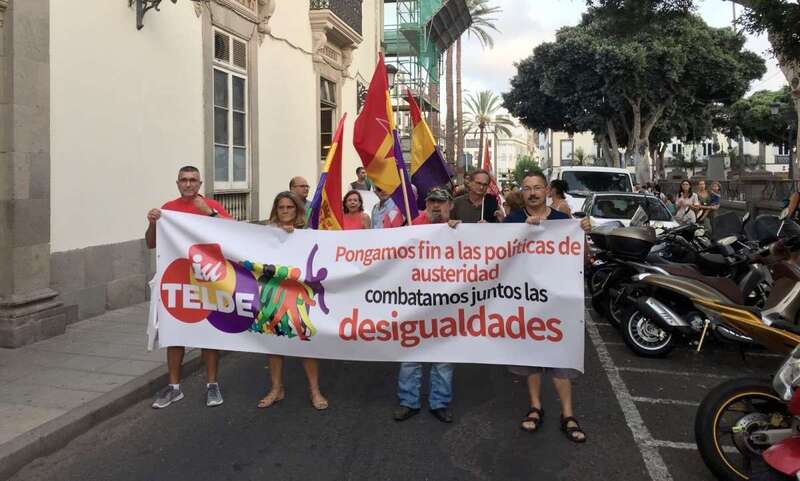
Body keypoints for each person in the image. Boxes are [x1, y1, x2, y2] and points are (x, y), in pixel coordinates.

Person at [503, 171, 587, 443]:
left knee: (560, 358)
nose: (533, 193)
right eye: (527, 188)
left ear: (547, 190)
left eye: (537, 187)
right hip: (525, 301)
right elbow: (492, 253)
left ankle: (568, 414)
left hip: (558, 302)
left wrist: (582, 234)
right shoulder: (512, 221)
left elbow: (583, 259)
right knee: (532, 356)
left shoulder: (563, 221)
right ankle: (535, 406)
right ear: (522, 192)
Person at [146, 166, 232, 409]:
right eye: (183, 180)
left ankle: (212, 384)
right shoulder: (168, 209)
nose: (188, 184)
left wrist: (210, 213)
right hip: (178, 279)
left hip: (207, 279)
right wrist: (152, 223)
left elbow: (234, 234)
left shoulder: (211, 205)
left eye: (193, 180)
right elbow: (151, 243)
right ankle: (174, 387)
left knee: (209, 333)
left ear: (200, 183)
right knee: (174, 332)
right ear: (177, 183)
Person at [257, 191, 328, 411]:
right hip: (272, 294)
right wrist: (278, 235)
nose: (285, 211)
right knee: (274, 343)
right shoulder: (266, 233)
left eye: (289, 207)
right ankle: (276, 389)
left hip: (298, 296)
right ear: (275, 210)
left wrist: (294, 235)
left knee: (304, 341)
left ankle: (315, 390)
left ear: (297, 209)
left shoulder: (308, 234)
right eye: (281, 208)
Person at [395, 188, 460, 423]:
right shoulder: (412, 225)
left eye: (441, 202)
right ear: (426, 203)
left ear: (450, 205)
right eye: (432, 201)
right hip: (414, 301)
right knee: (410, 354)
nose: (436, 206)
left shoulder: (458, 229)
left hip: (446, 303)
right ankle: (408, 401)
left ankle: (439, 402)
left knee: (444, 356)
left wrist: (462, 232)